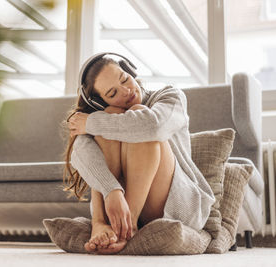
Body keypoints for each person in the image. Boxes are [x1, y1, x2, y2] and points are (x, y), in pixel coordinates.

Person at [63, 52, 215, 255]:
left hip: (178, 205)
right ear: (99, 101)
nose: (126, 91)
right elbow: (79, 154)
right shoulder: (104, 114)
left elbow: (154, 126)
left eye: (125, 79)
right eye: (112, 93)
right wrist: (111, 190)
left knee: (137, 114)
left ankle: (127, 228)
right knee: (111, 115)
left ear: (130, 70)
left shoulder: (170, 96)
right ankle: (100, 222)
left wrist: (91, 123)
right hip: (123, 201)